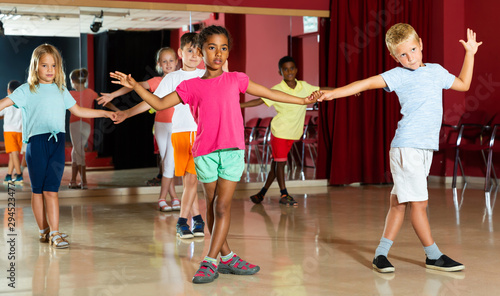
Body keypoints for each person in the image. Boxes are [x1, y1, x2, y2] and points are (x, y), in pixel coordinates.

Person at [110, 25, 321, 284]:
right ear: (201, 51)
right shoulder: (190, 86)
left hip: (232, 153)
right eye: (212, 48)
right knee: (211, 206)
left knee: (222, 206)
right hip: (205, 154)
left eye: (223, 48)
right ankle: (229, 257)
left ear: (228, 52)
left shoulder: (236, 79)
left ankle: (209, 261)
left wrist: (302, 101)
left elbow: (270, 93)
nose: (218, 53)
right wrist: (135, 86)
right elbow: (159, 103)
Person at [318, 24, 482, 273]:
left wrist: (469, 54)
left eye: (413, 50)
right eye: (403, 55)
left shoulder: (436, 72)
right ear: (394, 57)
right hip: (407, 148)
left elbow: (463, 84)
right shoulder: (398, 75)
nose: (411, 57)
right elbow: (364, 84)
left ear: (421, 44)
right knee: (419, 204)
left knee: (398, 203)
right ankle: (433, 255)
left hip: (424, 148)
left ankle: (380, 255)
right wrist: (332, 95)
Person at [0, 44, 117, 249]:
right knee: (38, 191)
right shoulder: (26, 90)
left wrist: (105, 113)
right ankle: (43, 230)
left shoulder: (61, 89)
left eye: (53, 65)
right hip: (36, 145)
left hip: (57, 144)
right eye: (45, 65)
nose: (49, 69)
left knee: (52, 191)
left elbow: (79, 111)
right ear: (36, 67)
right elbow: (3, 103)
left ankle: (54, 232)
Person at [114, 33, 206, 237]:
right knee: (190, 180)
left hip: (202, 133)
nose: (195, 55)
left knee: (193, 179)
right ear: (181, 53)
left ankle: (188, 220)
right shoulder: (173, 78)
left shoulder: (206, 75)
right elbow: (152, 101)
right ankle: (194, 219)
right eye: (190, 50)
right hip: (181, 133)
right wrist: (128, 113)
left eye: (199, 51)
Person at [242, 56, 332, 206]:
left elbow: (322, 90)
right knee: (281, 164)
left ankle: (261, 194)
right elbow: (259, 100)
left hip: (293, 133)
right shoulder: (277, 90)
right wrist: (239, 105)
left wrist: (346, 91)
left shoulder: (304, 86)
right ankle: (284, 194)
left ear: (296, 70)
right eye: (285, 69)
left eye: (291, 68)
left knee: (276, 165)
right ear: (280, 72)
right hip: (280, 132)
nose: (289, 71)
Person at [100, 47, 181, 212]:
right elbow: (133, 86)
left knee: (169, 163)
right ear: (159, 64)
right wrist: (113, 95)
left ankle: (162, 198)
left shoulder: (181, 80)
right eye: (164, 61)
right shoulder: (156, 81)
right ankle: (173, 197)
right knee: (166, 162)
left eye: (171, 60)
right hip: (160, 125)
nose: (168, 64)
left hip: (177, 126)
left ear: (177, 62)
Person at [68, 68, 119, 189]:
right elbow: (105, 102)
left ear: (73, 81)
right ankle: (73, 180)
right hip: (86, 125)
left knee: (78, 150)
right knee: (76, 150)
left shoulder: (70, 94)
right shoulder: (90, 92)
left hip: (75, 124)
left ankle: (83, 181)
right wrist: (117, 110)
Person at [1, 80, 23, 184]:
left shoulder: (7, 101)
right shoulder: (22, 102)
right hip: (20, 131)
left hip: (10, 131)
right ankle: (9, 175)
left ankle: (19, 175)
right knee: (13, 154)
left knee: (13, 153)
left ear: (8, 90)